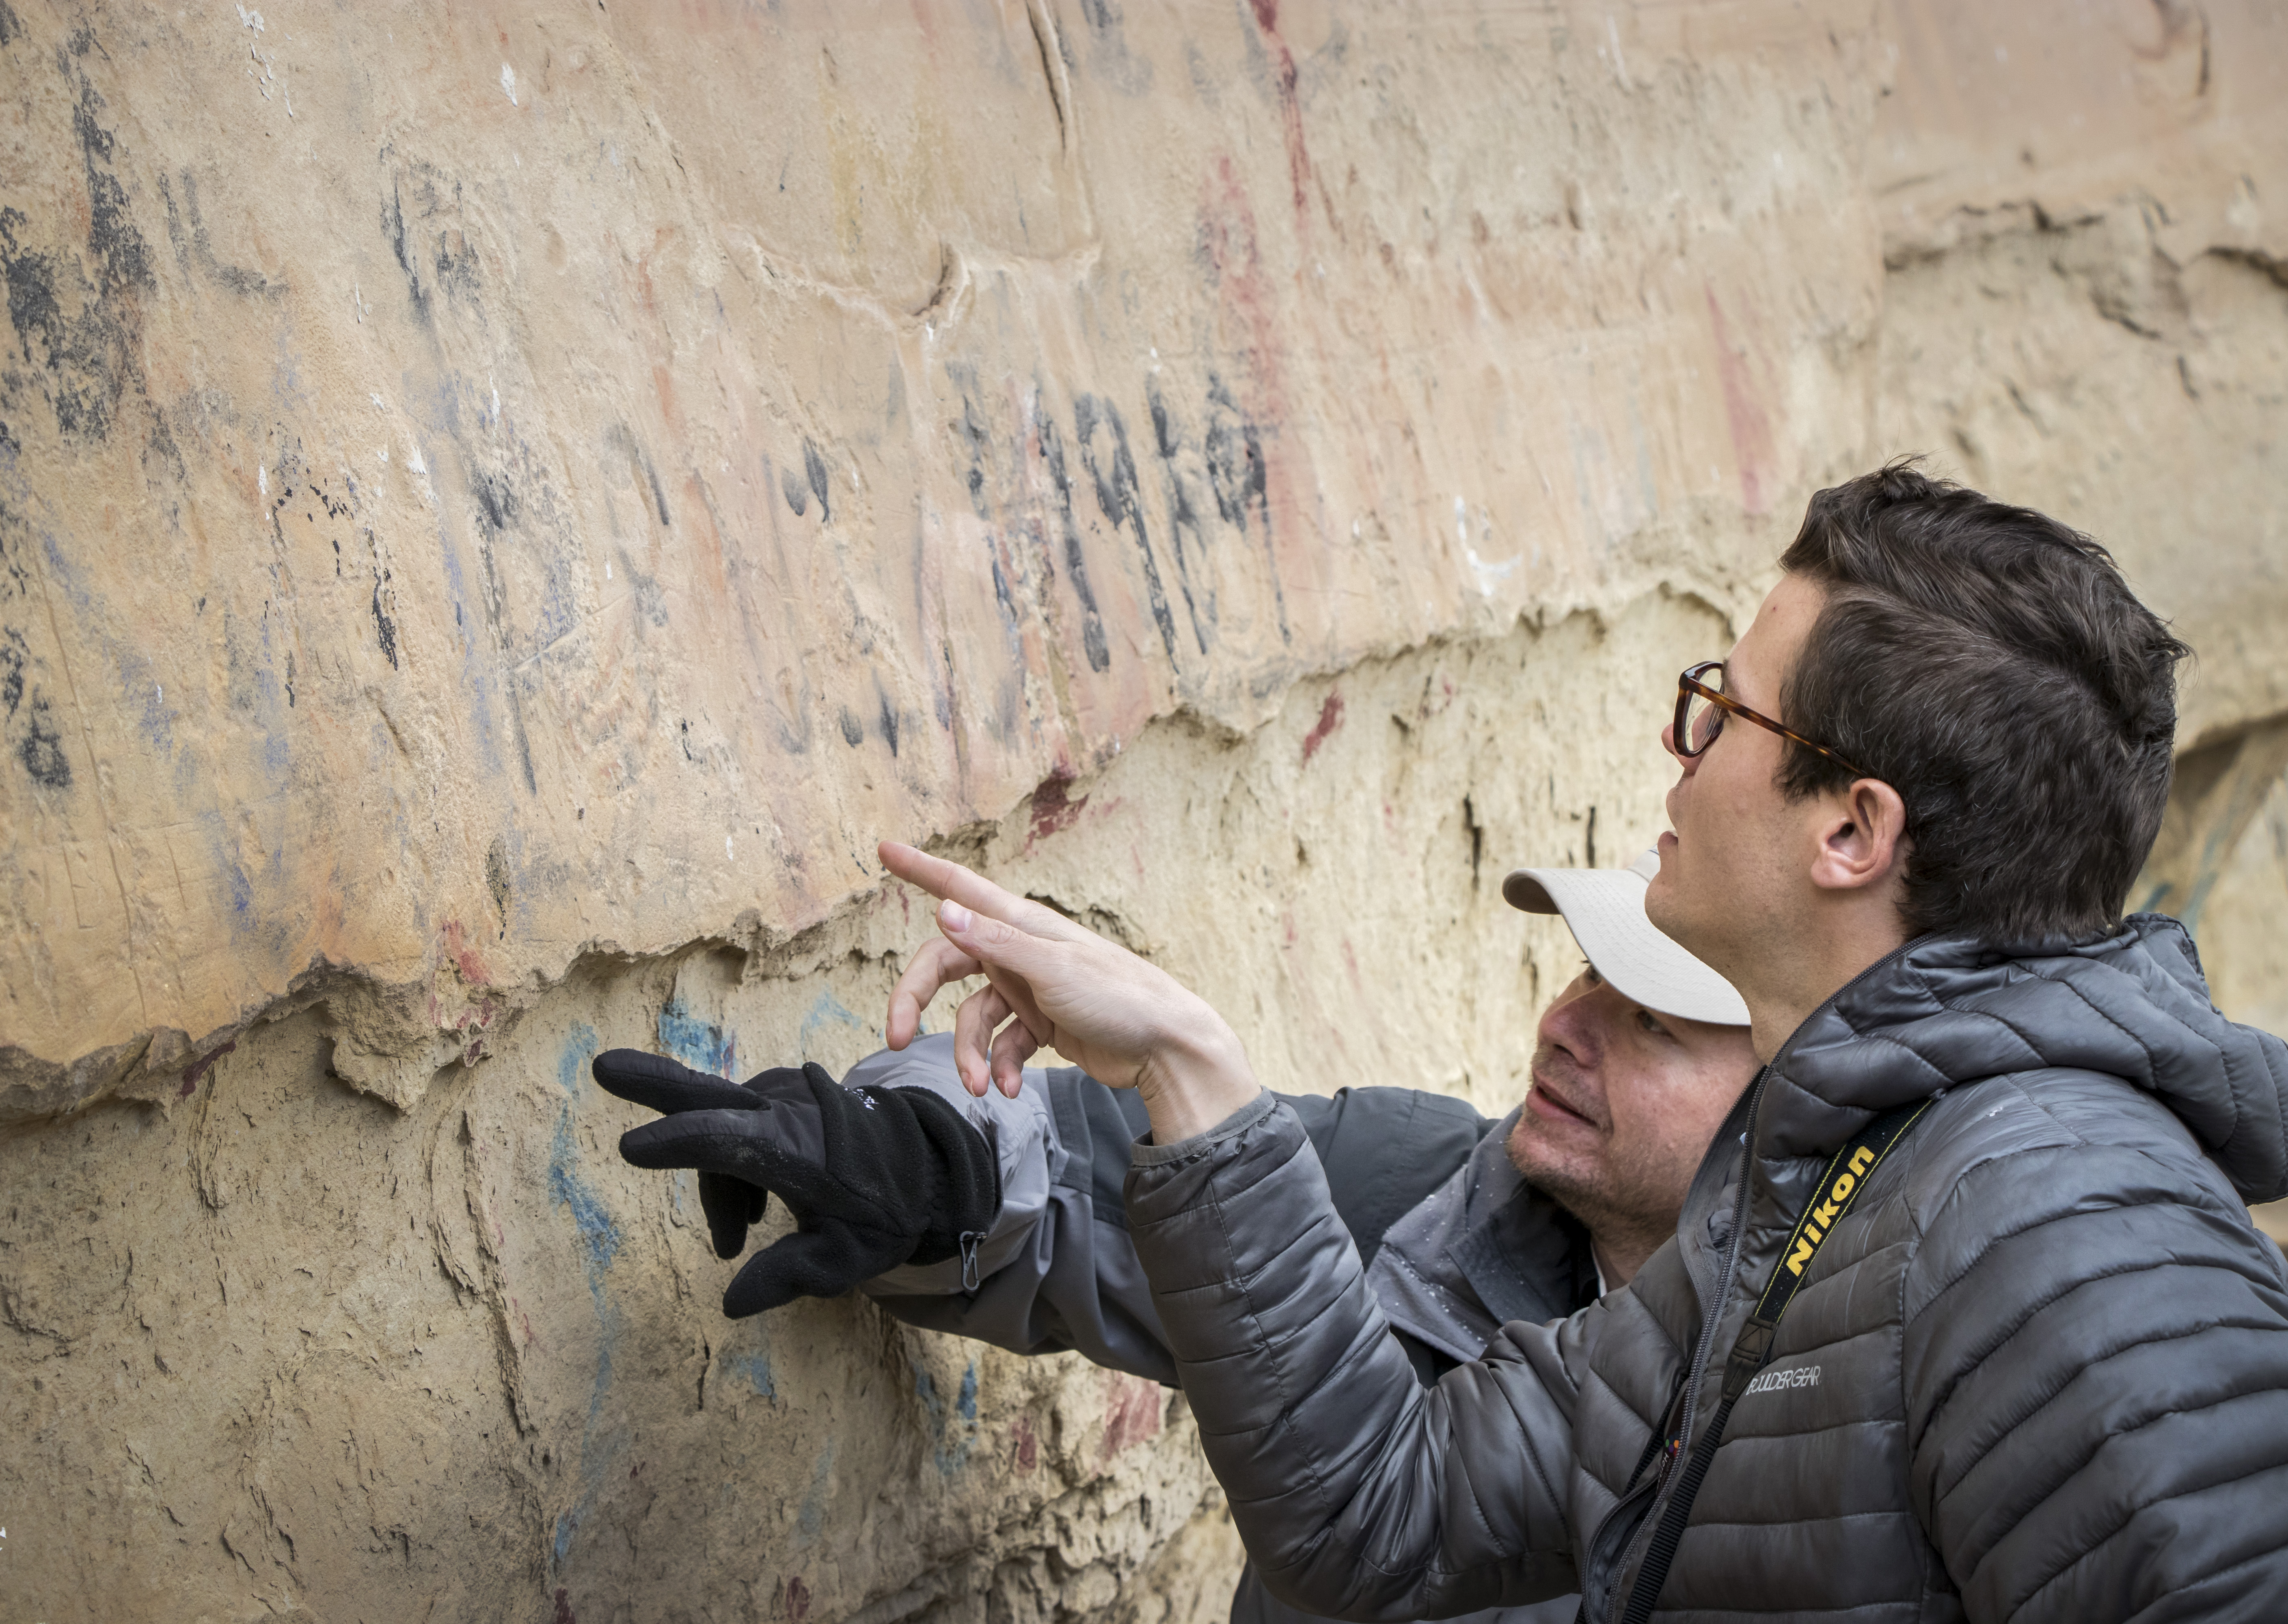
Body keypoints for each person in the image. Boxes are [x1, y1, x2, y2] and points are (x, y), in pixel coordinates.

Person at [853, 463, 2288, 1622]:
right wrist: (1185, 1059)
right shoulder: (1813, 1196)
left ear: (1853, 832)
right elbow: (1381, 1515)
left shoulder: (2060, 1220)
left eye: (1722, 712)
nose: (1682, 754)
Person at [591, 853, 1759, 1624]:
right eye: (1584, 977)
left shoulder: (1823, 1427)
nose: (1564, 1027)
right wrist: (916, 1158)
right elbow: (1071, 1175)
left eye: (1651, 1023)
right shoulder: (1422, 1194)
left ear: (1785, 1104)